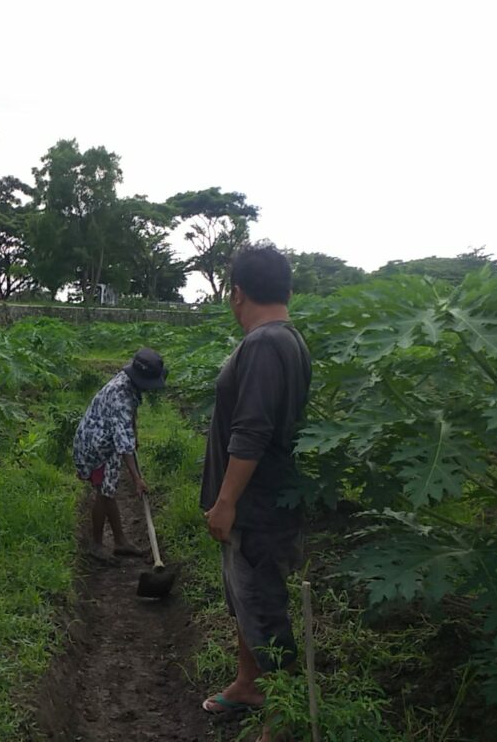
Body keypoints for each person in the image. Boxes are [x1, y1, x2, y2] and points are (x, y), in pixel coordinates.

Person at [199, 245, 312, 739]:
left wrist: (226, 501)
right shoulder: (287, 339)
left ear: (236, 293)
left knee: (263, 608)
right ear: (288, 290)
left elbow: (251, 432)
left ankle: (281, 719)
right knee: (244, 600)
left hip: (255, 506)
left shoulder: (265, 343)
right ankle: (248, 684)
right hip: (259, 503)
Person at [73, 348, 169, 561]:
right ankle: (96, 545)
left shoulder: (128, 382)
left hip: (103, 437)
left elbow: (131, 417)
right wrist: (137, 479)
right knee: (104, 492)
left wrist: (134, 431)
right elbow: (124, 444)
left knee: (107, 491)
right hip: (97, 446)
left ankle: (120, 542)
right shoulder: (120, 397)